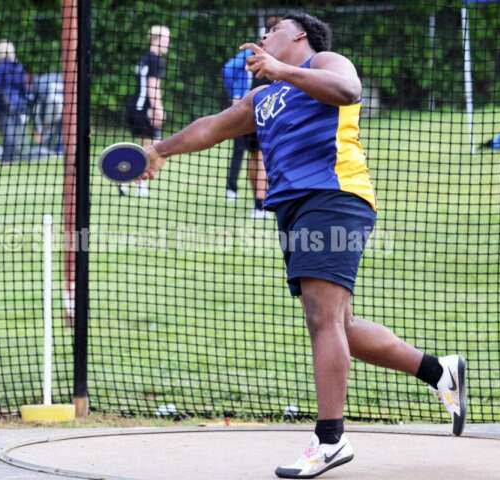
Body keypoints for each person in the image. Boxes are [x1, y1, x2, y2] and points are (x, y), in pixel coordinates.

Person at [137, 14, 466, 478]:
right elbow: (212, 126)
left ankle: (330, 439)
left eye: (274, 27)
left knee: (321, 318)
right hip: (293, 207)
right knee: (339, 325)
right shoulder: (264, 95)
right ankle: (439, 372)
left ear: (299, 36)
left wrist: (282, 69)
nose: (265, 33)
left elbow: (348, 92)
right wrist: (159, 151)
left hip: (334, 197)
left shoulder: (325, 60)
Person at [222, 17, 281, 219]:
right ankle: (260, 204)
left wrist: (236, 95)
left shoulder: (261, 54)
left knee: (255, 155)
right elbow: (229, 69)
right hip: (261, 109)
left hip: (255, 108)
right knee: (261, 156)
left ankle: (259, 204)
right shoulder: (269, 54)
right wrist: (236, 95)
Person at [121, 24, 170, 197]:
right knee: (156, 150)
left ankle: (124, 179)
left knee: (146, 149)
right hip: (144, 109)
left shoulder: (145, 58)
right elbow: (152, 86)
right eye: (166, 39)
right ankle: (139, 184)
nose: (167, 43)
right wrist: (158, 109)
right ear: (156, 39)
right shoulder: (155, 59)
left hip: (134, 107)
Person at [0, 40, 28, 163]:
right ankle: (9, 158)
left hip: (11, 105)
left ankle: (10, 158)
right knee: (12, 133)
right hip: (8, 105)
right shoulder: (14, 66)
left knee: (12, 133)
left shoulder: (7, 66)